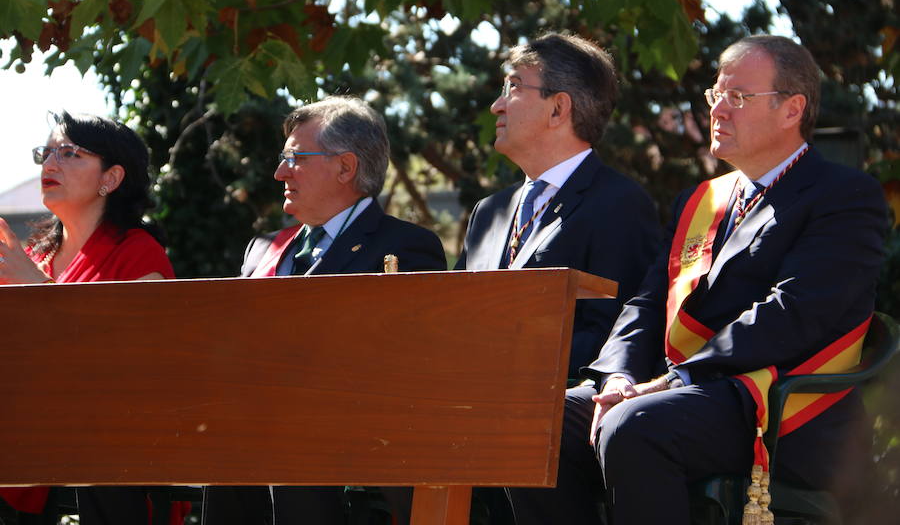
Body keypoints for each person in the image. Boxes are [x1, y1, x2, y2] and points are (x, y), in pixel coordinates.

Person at [508, 35, 888, 525]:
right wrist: (621, 376)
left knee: (633, 424)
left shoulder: (844, 195)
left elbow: (795, 313)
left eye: (738, 97)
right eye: (716, 95)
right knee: (535, 420)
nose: (718, 111)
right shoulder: (701, 200)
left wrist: (673, 379)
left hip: (779, 407)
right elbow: (647, 303)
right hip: (689, 395)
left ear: (792, 109)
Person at [202, 96, 446, 525]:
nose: (279, 172)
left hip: (342, 431)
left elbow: (401, 363)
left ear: (345, 168)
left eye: (295, 159)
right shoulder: (263, 249)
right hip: (244, 428)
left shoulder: (405, 246)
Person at [0, 111, 179, 525]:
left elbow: (131, 363)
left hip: (107, 450)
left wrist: (38, 290)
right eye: (46, 153)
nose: (50, 164)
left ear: (111, 178)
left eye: (68, 153)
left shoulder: (138, 253)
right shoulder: (37, 254)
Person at [456, 32, 660, 377]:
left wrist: (503, 356)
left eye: (514, 88)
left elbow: (617, 336)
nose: (497, 106)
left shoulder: (619, 204)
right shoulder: (488, 213)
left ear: (558, 108)